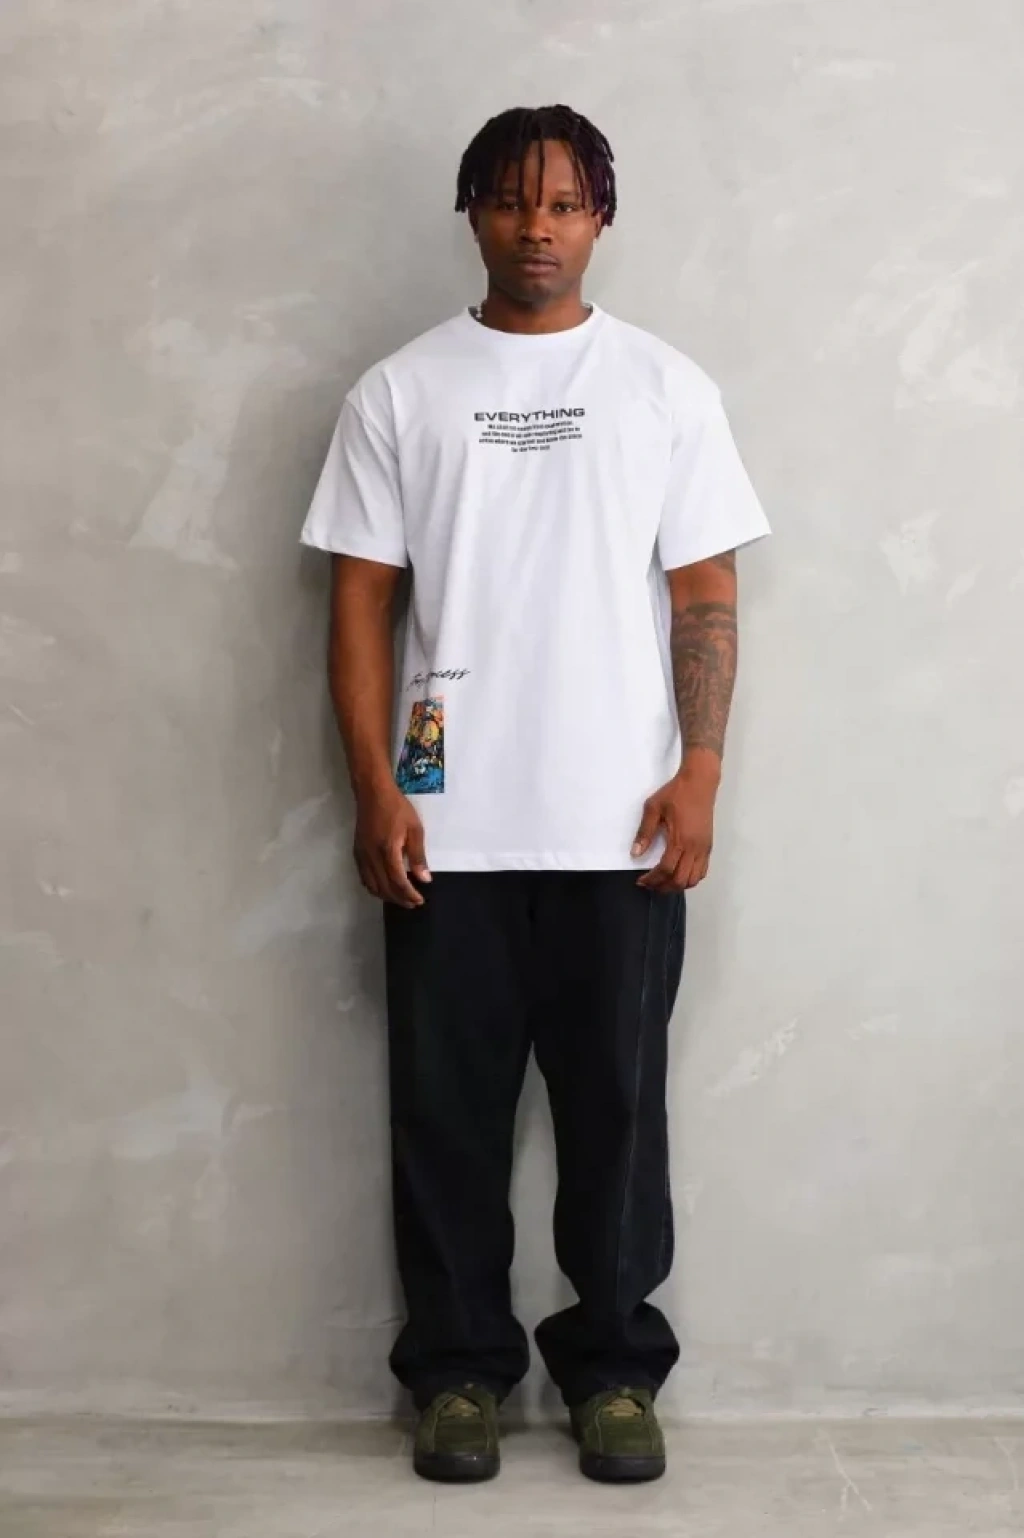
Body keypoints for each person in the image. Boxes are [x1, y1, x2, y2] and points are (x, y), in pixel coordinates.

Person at [300, 104, 769, 1485]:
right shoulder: (401, 392)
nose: (537, 229)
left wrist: (701, 771)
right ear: (473, 213)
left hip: (621, 826)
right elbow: (359, 605)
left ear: (601, 218)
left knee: (617, 1114)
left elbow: (707, 590)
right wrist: (376, 787)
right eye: (511, 202)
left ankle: (615, 1372)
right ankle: (457, 1374)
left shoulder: (665, 388)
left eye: (564, 204)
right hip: (447, 824)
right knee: (443, 1116)